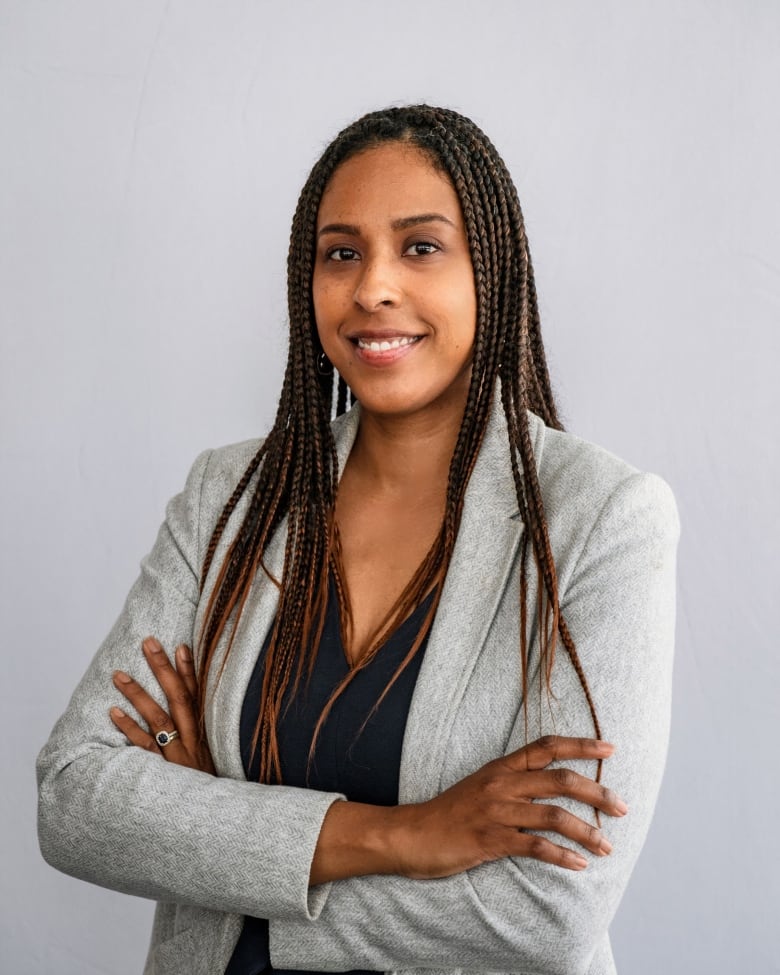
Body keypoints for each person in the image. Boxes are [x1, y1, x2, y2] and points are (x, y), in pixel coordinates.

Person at [37, 105, 679, 975]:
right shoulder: (229, 497)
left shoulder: (602, 517)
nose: (373, 285)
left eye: (420, 246)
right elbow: (74, 795)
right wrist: (405, 834)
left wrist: (217, 833)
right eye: (341, 252)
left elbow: (548, 908)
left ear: (491, 270)